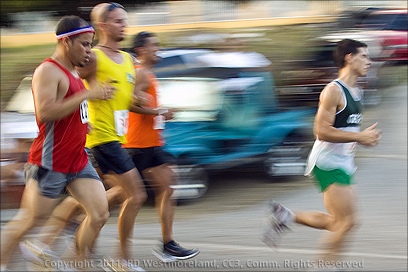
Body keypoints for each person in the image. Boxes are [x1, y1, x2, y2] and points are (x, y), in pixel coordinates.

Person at [0, 15, 112, 270]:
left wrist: (84, 124)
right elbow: (46, 112)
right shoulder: (48, 70)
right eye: (84, 44)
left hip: (77, 159)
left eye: (90, 44)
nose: (88, 50)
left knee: (99, 214)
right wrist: (88, 93)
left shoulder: (73, 73)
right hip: (51, 161)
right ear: (66, 42)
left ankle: (74, 262)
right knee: (29, 220)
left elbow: (69, 112)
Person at [261, 39, 382, 266]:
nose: (369, 61)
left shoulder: (356, 91)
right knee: (345, 222)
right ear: (349, 57)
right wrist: (360, 137)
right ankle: (322, 267)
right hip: (327, 162)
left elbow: (345, 128)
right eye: (364, 56)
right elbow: (321, 130)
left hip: (343, 162)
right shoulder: (333, 91)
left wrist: (363, 138)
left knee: (342, 221)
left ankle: (286, 216)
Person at [76, 3, 147, 271]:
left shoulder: (128, 60)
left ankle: (79, 250)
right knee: (136, 195)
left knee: (106, 200)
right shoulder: (93, 57)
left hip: (118, 139)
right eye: (118, 21)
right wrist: (83, 117)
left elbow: (126, 102)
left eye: (125, 20)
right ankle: (120, 259)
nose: (124, 25)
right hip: (100, 138)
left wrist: (147, 106)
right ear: (103, 26)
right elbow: (70, 86)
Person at [123, 31, 200, 261]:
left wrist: (161, 113)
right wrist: (158, 111)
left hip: (152, 144)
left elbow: (145, 105)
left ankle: (168, 244)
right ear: (140, 51)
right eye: (154, 46)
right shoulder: (140, 74)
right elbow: (130, 102)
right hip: (136, 145)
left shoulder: (148, 74)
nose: (158, 49)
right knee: (120, 195)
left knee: (168, 187)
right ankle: (77, 217)